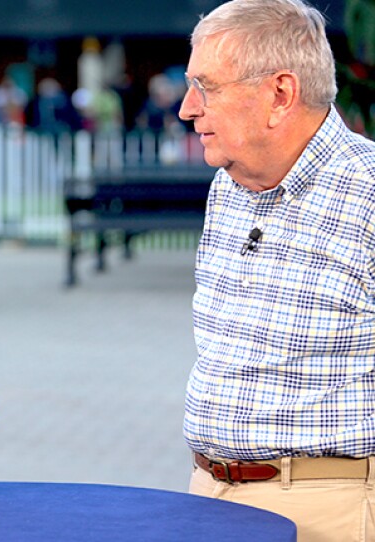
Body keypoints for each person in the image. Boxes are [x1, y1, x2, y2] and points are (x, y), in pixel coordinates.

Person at [179, 1, 375, 540]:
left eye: (206, 86)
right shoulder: (230, 184)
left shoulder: (369, 193)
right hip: (209, 494)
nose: (186, 109)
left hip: (329, 510)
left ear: (280, 95)